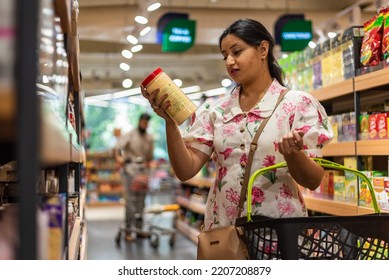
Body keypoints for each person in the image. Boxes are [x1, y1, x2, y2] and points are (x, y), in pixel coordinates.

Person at [141, 18, 333, 231]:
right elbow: (186, 170)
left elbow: (313, 180)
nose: (230, 62)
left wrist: (294, 154)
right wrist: (170, 123)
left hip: (278, 232)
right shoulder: (215, 111)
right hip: (224, 232)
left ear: (263, 49)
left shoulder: (298, 104)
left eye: (237, 52)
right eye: (225, 56)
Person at [114, 113, 154, 241]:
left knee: (141, 202)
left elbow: (149, 156)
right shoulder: (130, 134)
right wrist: (119, 158)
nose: (144, 124)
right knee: (130, 201)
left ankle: (139, 229)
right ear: (139, 121)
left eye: (146, 122)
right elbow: (117, 147)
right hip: (130, 170)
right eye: (143, 121)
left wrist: (149, 163)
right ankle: (128, 231)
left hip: (143, 171)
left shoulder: (149, 137)